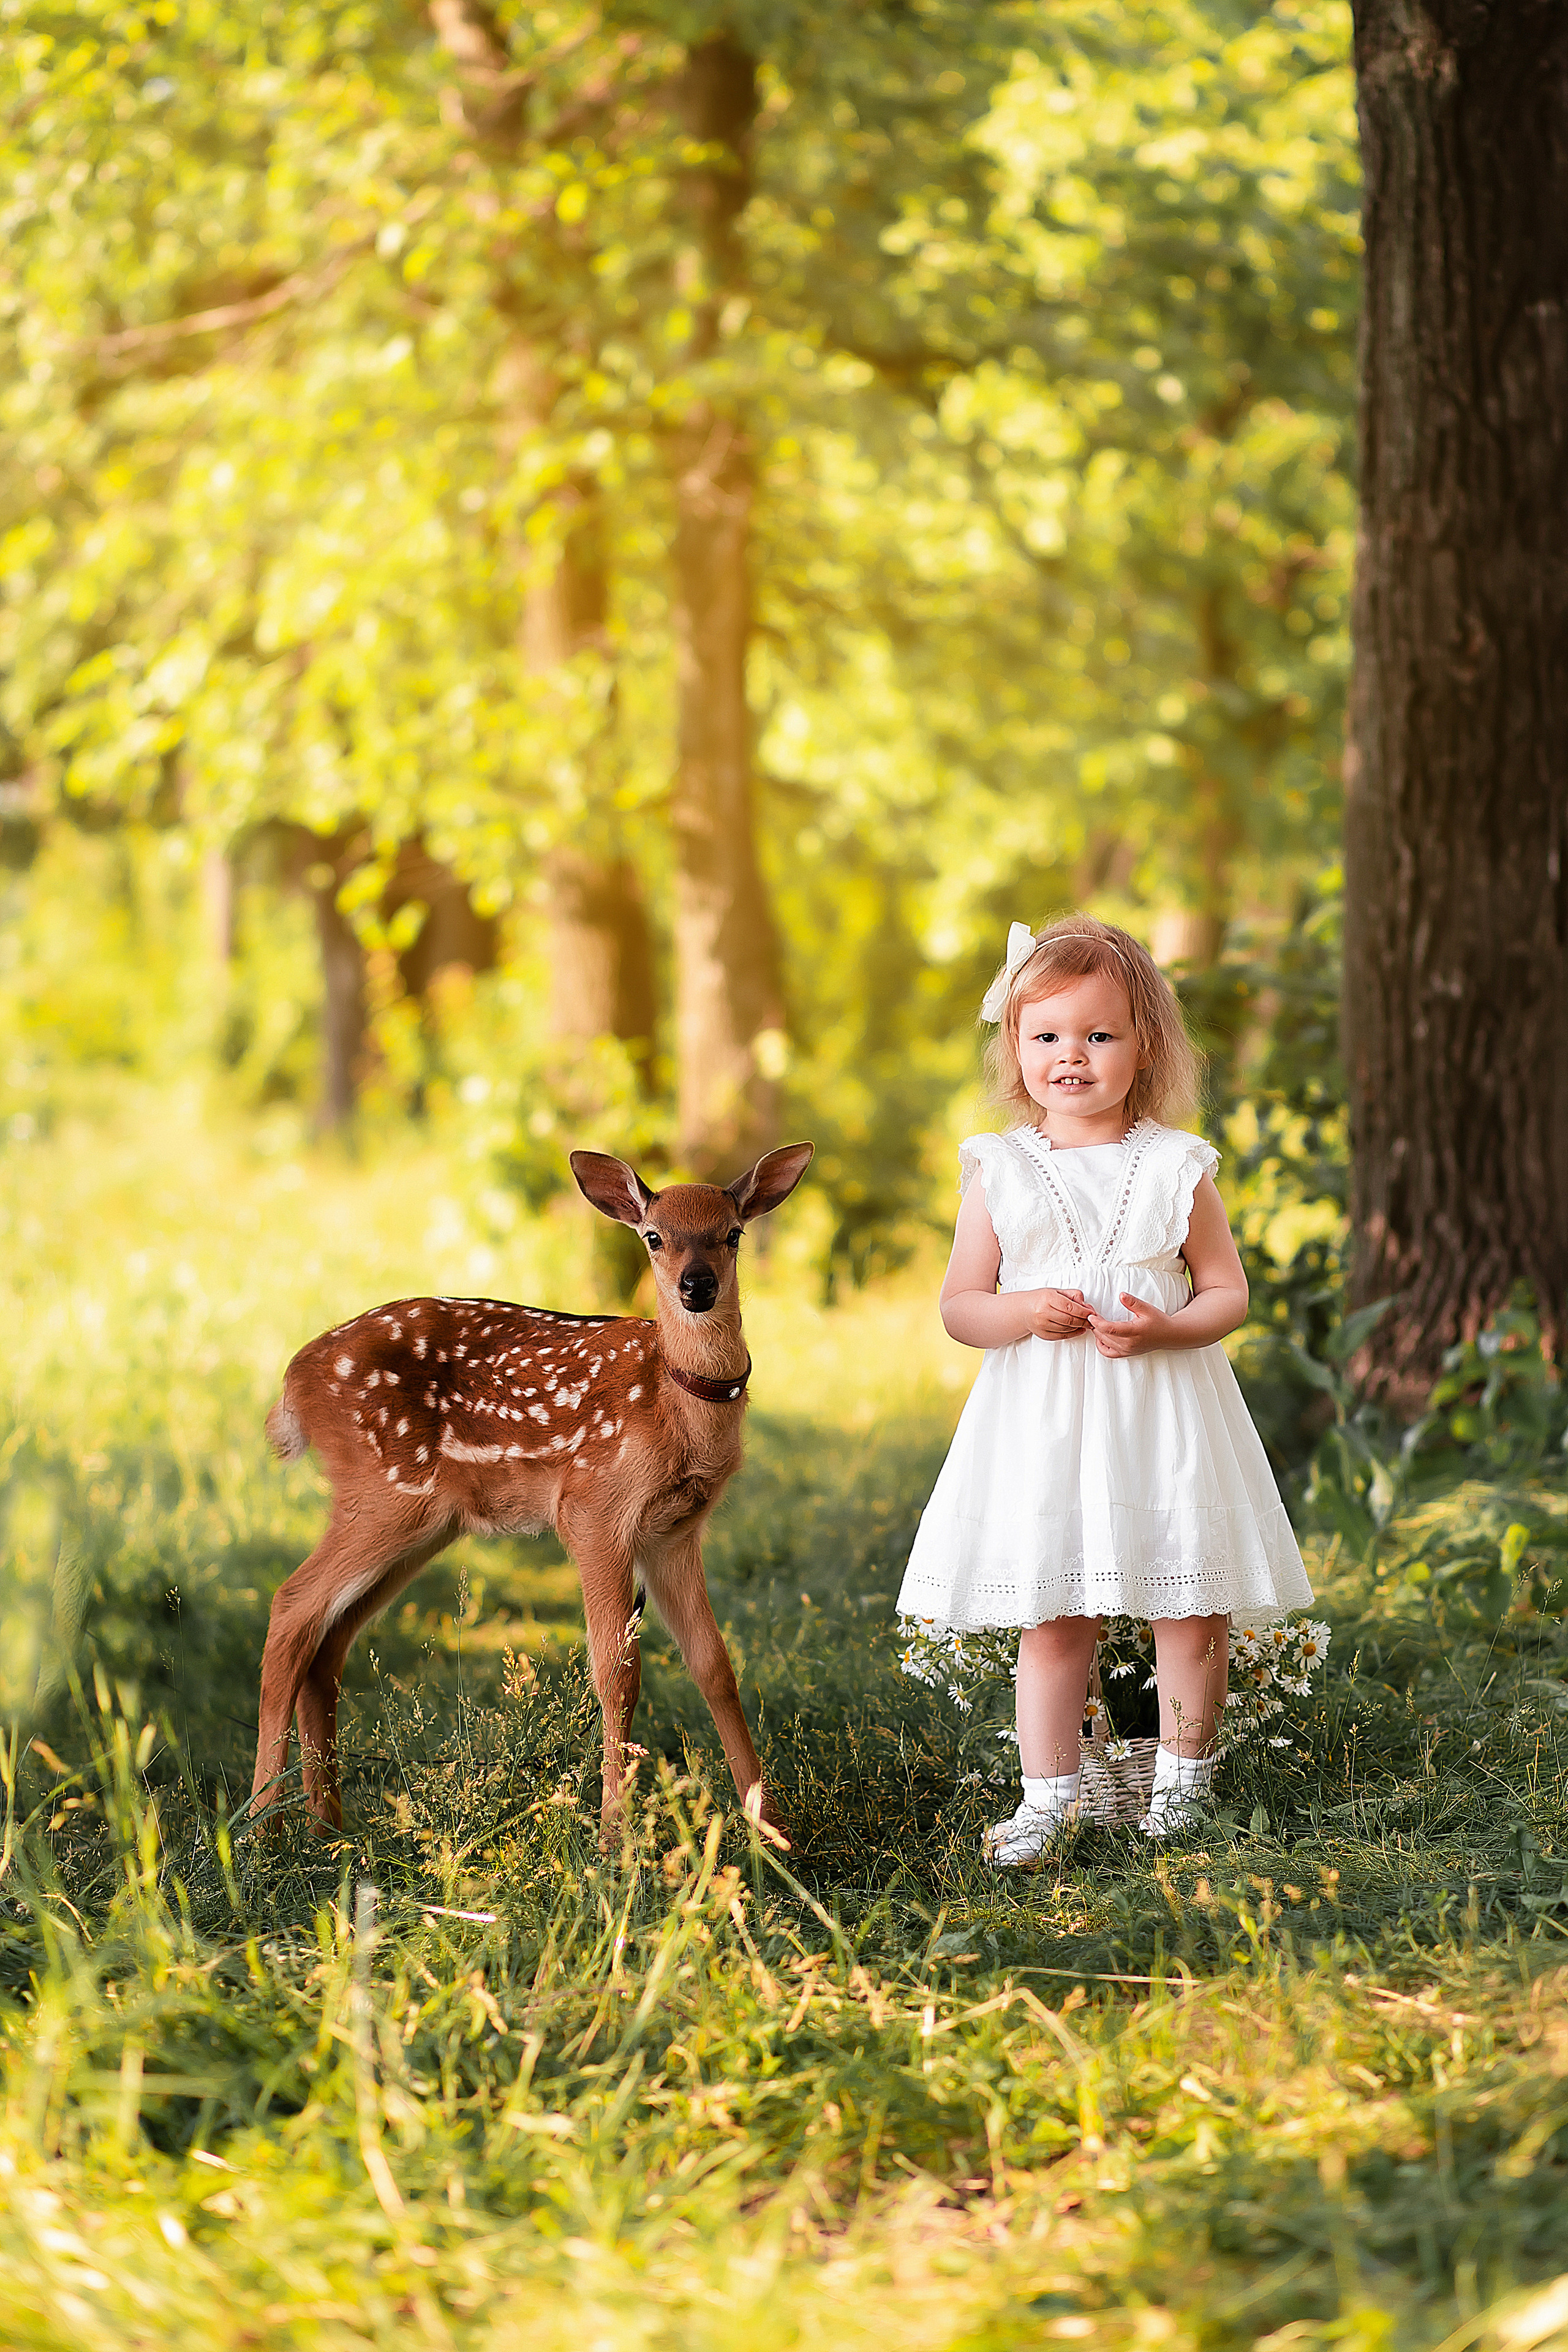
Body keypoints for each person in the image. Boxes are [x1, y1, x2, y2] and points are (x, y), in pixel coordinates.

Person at [897, 914, 1313, 1856]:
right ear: (1015, 1045)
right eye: (1046, 1036)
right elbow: (963, 1306)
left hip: (1163, 1413)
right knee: (1051, 1615)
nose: (1070, 1056)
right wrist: (1021, 1312)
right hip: (1044, 1424)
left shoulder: (1175, 1165)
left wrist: (1165, 1328)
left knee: (1187, 1603)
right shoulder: (999, 1169)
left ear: (1145, 1045)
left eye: (1098, 1034)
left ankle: (1183, 1792)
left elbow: (1227, 1290)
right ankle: (1049, 1799)